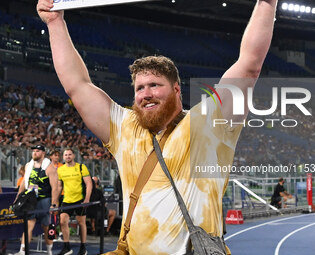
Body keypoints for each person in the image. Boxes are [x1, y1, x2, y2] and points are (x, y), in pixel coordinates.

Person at [37, 0, 277, 253]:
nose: (146, 94)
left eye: (154, 85)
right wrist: (55, 23)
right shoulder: (125, 128)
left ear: (176, 90)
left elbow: (249, 65)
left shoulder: (208, 124)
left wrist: (267, 3)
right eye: (139, 88)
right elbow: (77, 84)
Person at [14, 145, 59, 255]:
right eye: (33, 151)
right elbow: (24, 183)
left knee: (46, 227)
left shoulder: (49, 167)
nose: (34, 153)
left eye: (37, 151)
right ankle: (22, 250)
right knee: (28, 224)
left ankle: (49, 251)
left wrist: (54, 204)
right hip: (31, 199)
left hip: (45, 200)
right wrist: (17, 198)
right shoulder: (28, 165)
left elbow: (55, 187)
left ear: (43, 153)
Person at [57, 148, 92, 255]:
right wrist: (55, 202)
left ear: (73, 156)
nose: (67, 156)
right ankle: (67, 247)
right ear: (63, 157)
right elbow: (59, 187)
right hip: (67, 200)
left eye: (69, 154)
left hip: (80, 200)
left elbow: (89, 184)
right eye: (65, 155)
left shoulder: (81, 167)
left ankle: (83, 247)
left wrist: (87, 199)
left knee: (81, 223)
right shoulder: (60, 169)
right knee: (62, 221)